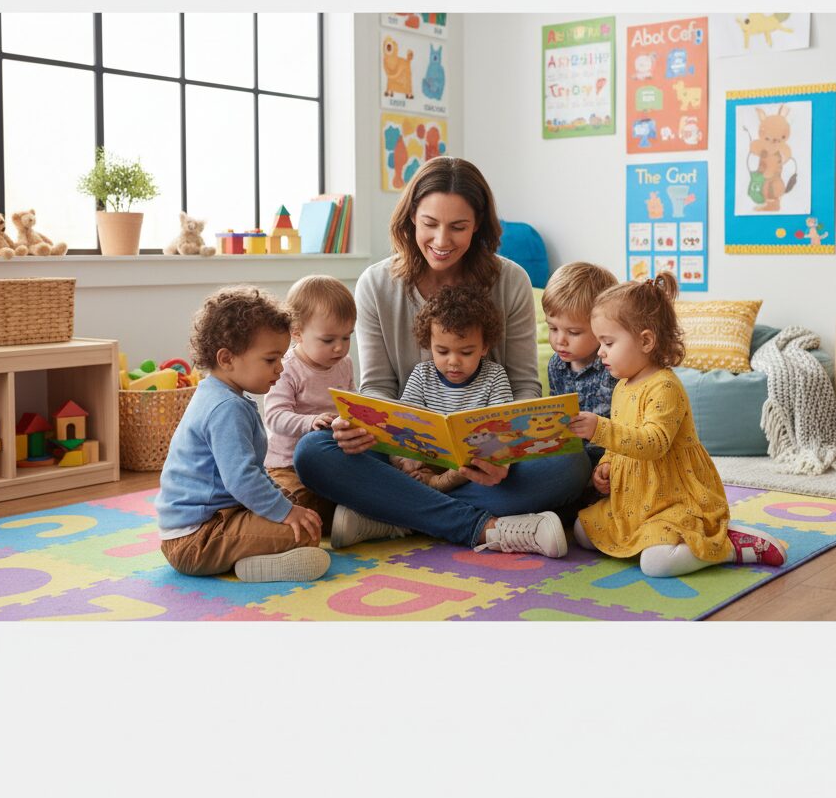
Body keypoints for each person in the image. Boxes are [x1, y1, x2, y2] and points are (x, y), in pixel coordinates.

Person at [294, 156, 591, 558]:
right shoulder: (376, 285)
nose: (441, 240)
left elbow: (524, 387)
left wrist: (503, 452)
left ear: (480, 226)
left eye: (458, 227)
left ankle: (389, 516)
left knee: (569, 466)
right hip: (403, 453)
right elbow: (378, 388)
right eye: (430, 224)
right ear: (411, 218)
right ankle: (481, 527)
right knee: (314, 453)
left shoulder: (512, 282)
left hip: (488, 457)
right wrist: (361, 428)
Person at [568, 275, 788, 578]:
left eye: (608, 343)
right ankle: (673, 539)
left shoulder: (664, 386)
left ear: (646, 341)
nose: (600, 352)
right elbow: (622, 441)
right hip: (633, 500)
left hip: (671, 498)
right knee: (582, 531)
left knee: (655, 564)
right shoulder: (622, 386)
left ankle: (727, 547)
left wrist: (599, 429)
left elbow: (652, 443)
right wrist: (605, 466)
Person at [155, 286, 329, 583]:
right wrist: (286, 513)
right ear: (227, 359)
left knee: (304, 515)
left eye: (282, 358)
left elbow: (250, 474)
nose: (281, 368)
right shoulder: (225, 408)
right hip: (196, 540)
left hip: (218, 519)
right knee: (304, 532)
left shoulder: (221, 394)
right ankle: (254, 567)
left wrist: (286, 505)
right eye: (270, 360)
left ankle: (261, 551)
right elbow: (242, 478)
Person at [396, 284, 513, 492]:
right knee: (390, 452)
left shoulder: (494, 376)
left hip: (470, 470)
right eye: (442, 351)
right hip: (427, 461)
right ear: (429, 344)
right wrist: (406, 458)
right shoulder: (422, 375)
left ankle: (437, 488)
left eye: (466, 352)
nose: (453, 362)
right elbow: (404, 424)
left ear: (484, 347)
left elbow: (502, 432)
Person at [264, 275, 356, 525]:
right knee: (297, 504)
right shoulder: (286, 368)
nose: (340, 348)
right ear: (297, 333)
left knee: (361, 491)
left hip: (330, 458)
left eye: (347, 337)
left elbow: (352, 404)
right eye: (328, 340)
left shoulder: (344, 364)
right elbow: (275, 417)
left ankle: (347, 517)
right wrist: (310, 422)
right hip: (286, 465)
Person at [542, 261, 618, 468]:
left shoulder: (614, 367)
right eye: (553, 328)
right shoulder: (556, 365)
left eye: (573, 332)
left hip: (611, 459)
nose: (560, 340)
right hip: (570, 456)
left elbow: (629, 427)